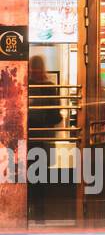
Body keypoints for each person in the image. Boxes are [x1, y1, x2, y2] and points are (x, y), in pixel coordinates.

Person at [26, 56, 64, 223]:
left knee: (24, 177)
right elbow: (55, 115)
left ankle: (26, 213)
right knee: (40, 178)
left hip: (26, 139)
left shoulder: (23, 85)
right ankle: (39, 216)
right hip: (42, 139)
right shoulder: (49, 87)